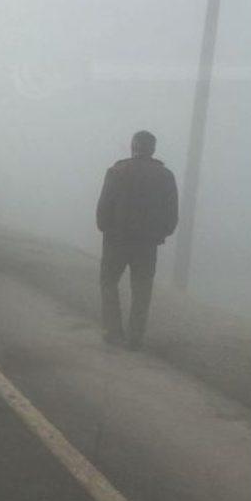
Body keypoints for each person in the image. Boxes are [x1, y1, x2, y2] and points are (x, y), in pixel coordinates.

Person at [96, 130, 178, 349]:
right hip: (147, 244)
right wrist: (160, 234)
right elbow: (172, 216)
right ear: (152, 149)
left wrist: (106, 229)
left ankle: (112, 332)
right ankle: (135, 338)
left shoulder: (117, 171)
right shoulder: (165, 176)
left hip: (116, 240)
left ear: (133, 146)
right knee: (142, 289)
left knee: (108, 282)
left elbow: (103, 208)